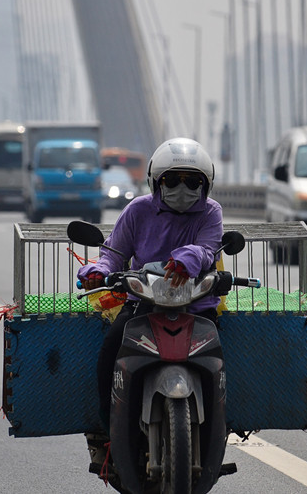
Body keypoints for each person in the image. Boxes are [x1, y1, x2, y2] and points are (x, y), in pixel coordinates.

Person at [76, 137, 223, 470]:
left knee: (225, 362)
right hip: (144, 302)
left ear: (206, 185)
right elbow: (114, 254)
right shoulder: (138, 210)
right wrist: (99, 271)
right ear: (156, 181)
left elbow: (208, 248)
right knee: (110, 350)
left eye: (192, 181)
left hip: (196, 305)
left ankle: (221, 426)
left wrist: (190, 256)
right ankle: (103, 433)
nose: (181, 188)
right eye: (172, 180)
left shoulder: (210, 213)